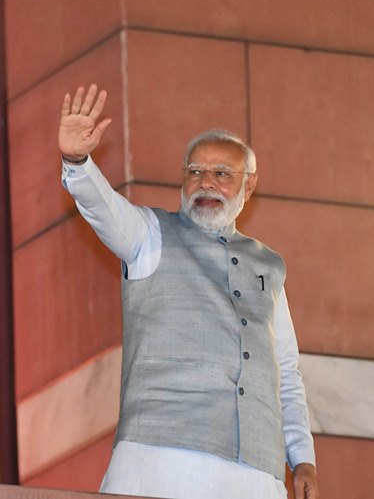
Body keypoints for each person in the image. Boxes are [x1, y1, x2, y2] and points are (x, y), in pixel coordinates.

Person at [57, 84, 319, 499]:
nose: (206, 183)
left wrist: (301, 457)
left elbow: (285, 371)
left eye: (222, 174)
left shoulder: (269, 265)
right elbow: (103, 208)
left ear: (249, 186)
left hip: (257, 473)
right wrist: (77, 161)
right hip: (161, 459)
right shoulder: (150, 235)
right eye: (195, 172)